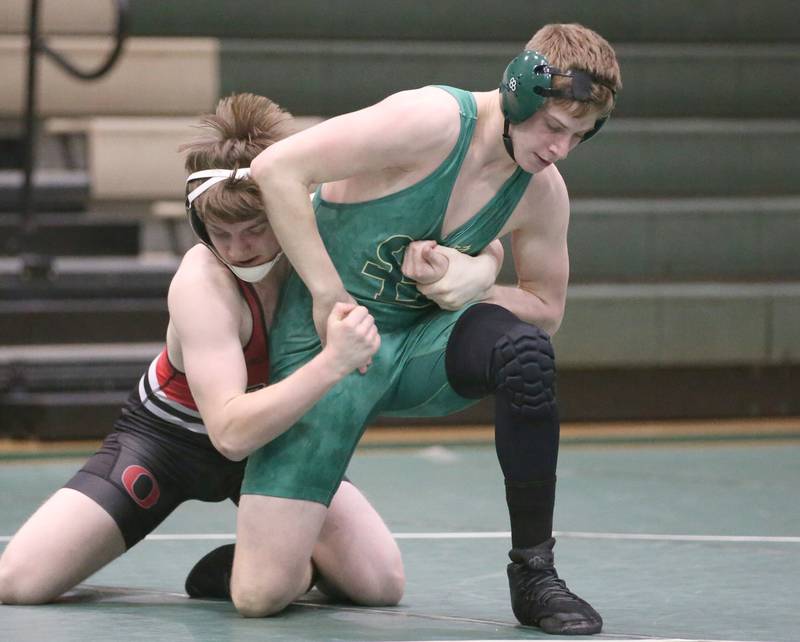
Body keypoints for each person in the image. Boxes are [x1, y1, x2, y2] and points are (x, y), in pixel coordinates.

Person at [197, 23, 621, 635]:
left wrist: (480, 282)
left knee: (525, 352)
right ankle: (278, 551)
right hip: (329, 349)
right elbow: (277, 169)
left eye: (579, 136)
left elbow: (546, 308)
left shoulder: (542, 193)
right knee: (268, 596)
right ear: (519, 94)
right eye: (554, 126)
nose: (559, 148)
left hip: (423, 347)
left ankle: (534, 571)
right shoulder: (432, 121)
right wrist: (325, 292)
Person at [0, 94, 431, 607]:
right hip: (168, 441)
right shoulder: (202, 281)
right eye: (220, 233)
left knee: (380, 586)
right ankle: (273, 559)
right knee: (18, 583)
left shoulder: (322, 251)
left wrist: (452, 267)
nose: (237, 248)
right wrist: (332, 363)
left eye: (254, 229)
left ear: (288, 211)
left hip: (280, 440)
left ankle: (264, 566)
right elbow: (229, 432)